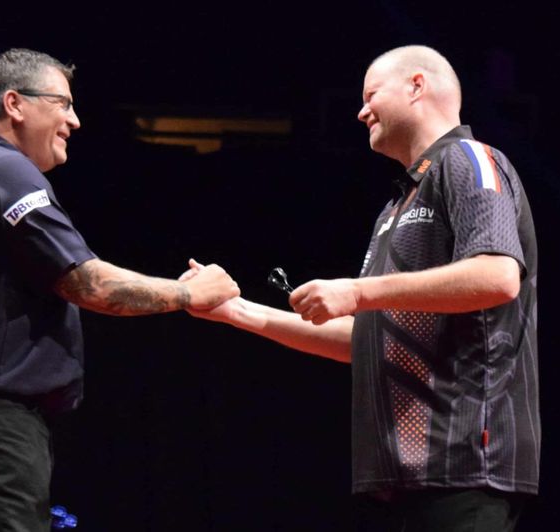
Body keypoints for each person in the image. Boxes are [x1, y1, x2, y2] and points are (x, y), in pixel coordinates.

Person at [185, 45, 538, 531]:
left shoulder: (469, 159)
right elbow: (369, 339)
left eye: (371, 94)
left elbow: (497, 276)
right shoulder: (393, 209)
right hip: (397, 476)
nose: (360, 110)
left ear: (417, 86)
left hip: (462, 465)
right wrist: (236, 311)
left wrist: (357, 291)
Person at [0, 48, 239, 531]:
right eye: (63, 104)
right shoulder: (3, 171)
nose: (75, 121)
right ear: (15, 104)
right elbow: (89, 283)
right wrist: (189, 293)